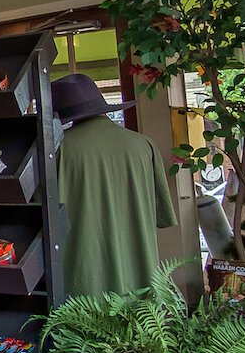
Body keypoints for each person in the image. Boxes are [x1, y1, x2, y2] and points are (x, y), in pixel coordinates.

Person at [51, 73, 177, 296]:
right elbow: (162, 214)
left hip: (85, 283)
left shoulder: (59, 152)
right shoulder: (144, 145)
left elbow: (43, 217)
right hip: (142, 281)